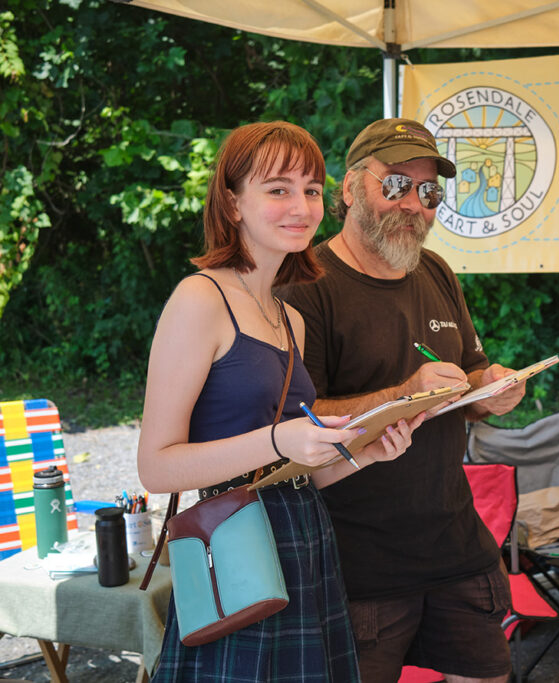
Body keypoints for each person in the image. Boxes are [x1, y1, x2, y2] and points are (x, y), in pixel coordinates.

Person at [137, 120, 422, 681]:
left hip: (303, 545)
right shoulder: (200, 298)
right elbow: (155, 466)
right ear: (232, 202)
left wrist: (365, 455)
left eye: (312, 190)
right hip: (236, 550)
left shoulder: (290, 316)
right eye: (278, 189)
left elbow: (288, 474)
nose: (302, 205)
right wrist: (276, 438)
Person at [278, 118, 527, 683]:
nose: (414, 203)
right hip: (356, 562)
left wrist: (494, 389)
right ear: (348, 189)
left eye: (430, 191)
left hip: (454, 540)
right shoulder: (305, 284)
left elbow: (467, 374)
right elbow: (297, 429)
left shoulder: (435, 270)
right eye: (395, 184)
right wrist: (405, 392)